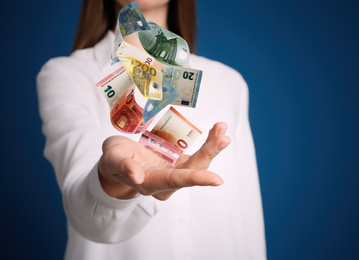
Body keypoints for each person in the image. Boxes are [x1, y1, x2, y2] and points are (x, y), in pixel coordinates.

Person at [37, 0, 267, 259]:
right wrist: (113, 181)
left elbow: (247, 212)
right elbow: (86, 214)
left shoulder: (228, 82)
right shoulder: (67, 75)